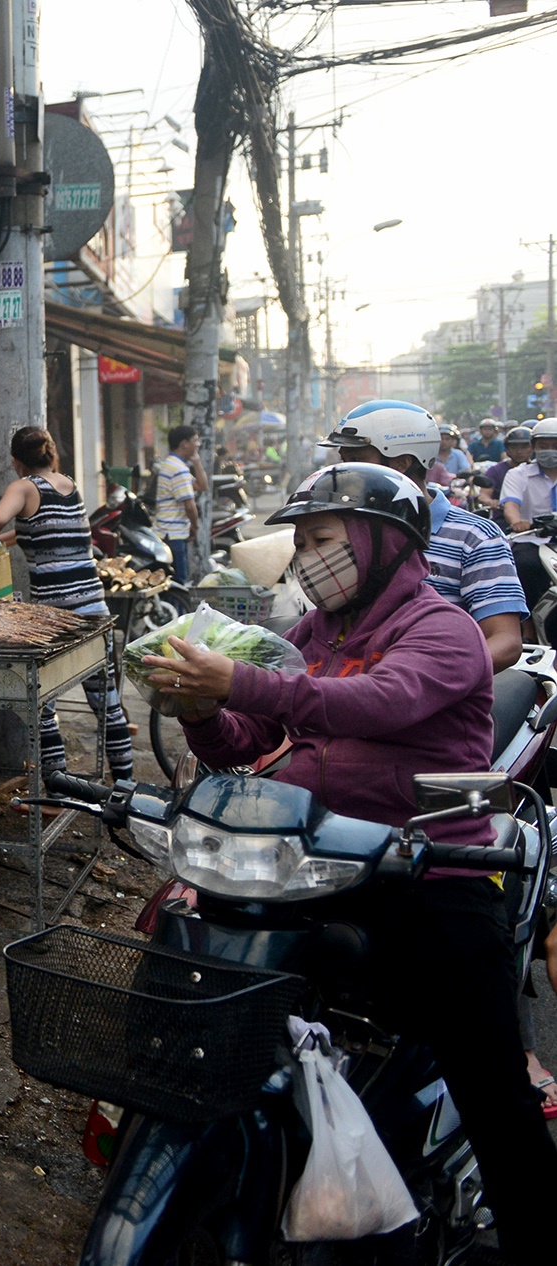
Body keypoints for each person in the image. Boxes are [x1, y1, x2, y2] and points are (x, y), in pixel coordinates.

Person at [141, 461, 557, 1264]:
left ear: (382, 542)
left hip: (430, 875)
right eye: (298, 543)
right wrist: (201, 712)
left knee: (494, 1090)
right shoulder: (308, 638)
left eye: (323, 540)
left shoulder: (444, 631)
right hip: (314, 867)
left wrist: (243, 682)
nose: (306, 557)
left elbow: (374, 703)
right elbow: (248, 744)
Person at [0, 427, 134, 782]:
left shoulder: (24, 487)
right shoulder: (68, 485)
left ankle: (59, 787)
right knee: (108, 704)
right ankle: (126, 785)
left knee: (43, 704)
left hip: (57, 616)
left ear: (16, 461)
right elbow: (32, 529)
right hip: (93, 609)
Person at [326, 399, 527, 673]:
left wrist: (425, 679)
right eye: (343, 460)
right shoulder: (343, 530)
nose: (344, 473)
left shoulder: (475, 536)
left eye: (356, 460)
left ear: (400, 463)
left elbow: (505, 641)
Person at [499, 417, 557, 611]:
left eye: (555, 446)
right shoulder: (518, 474)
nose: (550, 450)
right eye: (544, 446)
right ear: (534, 447)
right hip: (532, 540)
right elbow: (511, 505)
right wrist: (518, 522)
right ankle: (527, 624)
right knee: (523, 566)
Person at [153, 425, 206, 584]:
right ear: (184, 444)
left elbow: (202, 486)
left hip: (168, 532)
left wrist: (197, 462)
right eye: (195, 441)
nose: (198, 445)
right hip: (172, 534)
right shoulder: (177, 469)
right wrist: (195, 527)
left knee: (174, 581)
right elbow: (189, 506)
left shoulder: (175, 465)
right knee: (178, 582)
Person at [482, 425, 534, 515]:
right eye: (514, 447)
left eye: (524, 447)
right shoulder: (495, 470)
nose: (519, 451)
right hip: (502, 520)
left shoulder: (539, 469)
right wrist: (492, 502)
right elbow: (483, 495)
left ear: (533, 448)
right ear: (507, 449)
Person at [429, 423, 473, 487]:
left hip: (456, 488)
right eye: (441, 439)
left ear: (453, 441)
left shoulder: (458, 454)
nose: (444, 442)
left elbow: (466, 470)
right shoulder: (430, 455)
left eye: (447, 439)